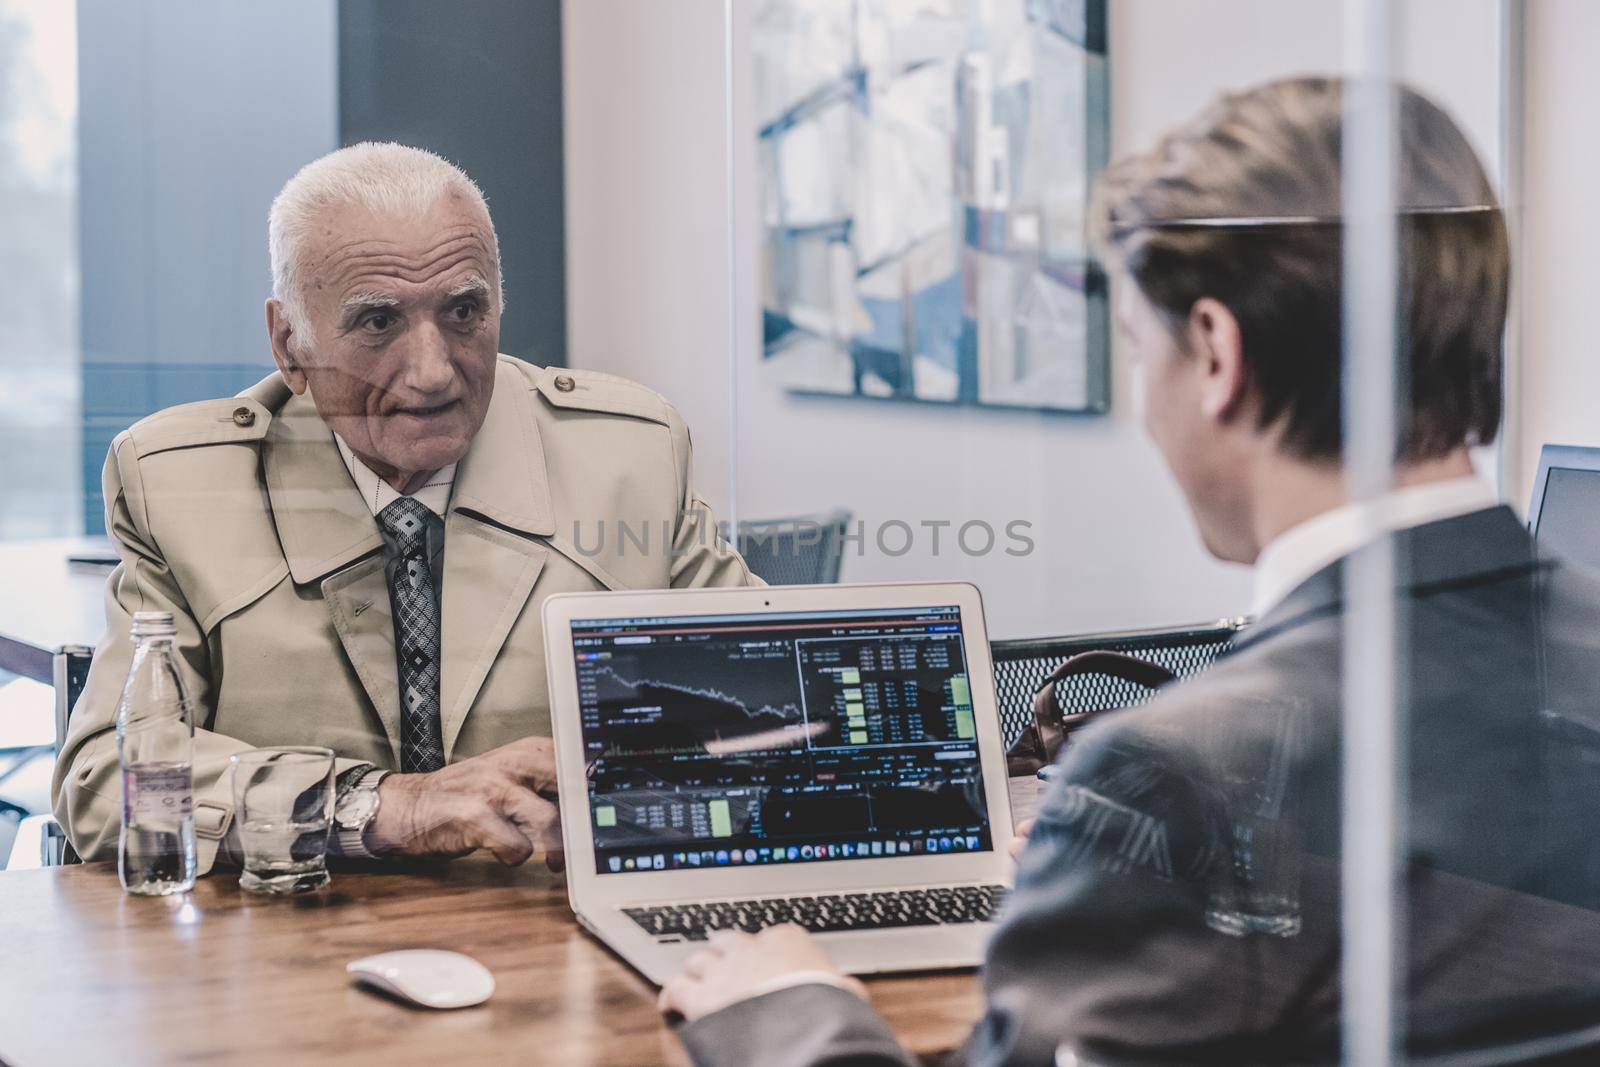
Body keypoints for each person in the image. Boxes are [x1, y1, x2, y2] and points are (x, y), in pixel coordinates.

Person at [658, 77, 1600, 1065]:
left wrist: (796, 1007)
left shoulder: (1177, 779)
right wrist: (1099, 877)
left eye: (1136, 349)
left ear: (1213, 354)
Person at [53, 143, 759, 875]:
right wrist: (383, 805)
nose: (432, 371)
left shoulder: (630, 458)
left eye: (463, 311)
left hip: (553, 936)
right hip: (289, 944)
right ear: (290, 344)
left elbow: (783, 719)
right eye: (378, 322)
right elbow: (109, 780)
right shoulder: (183, 485)